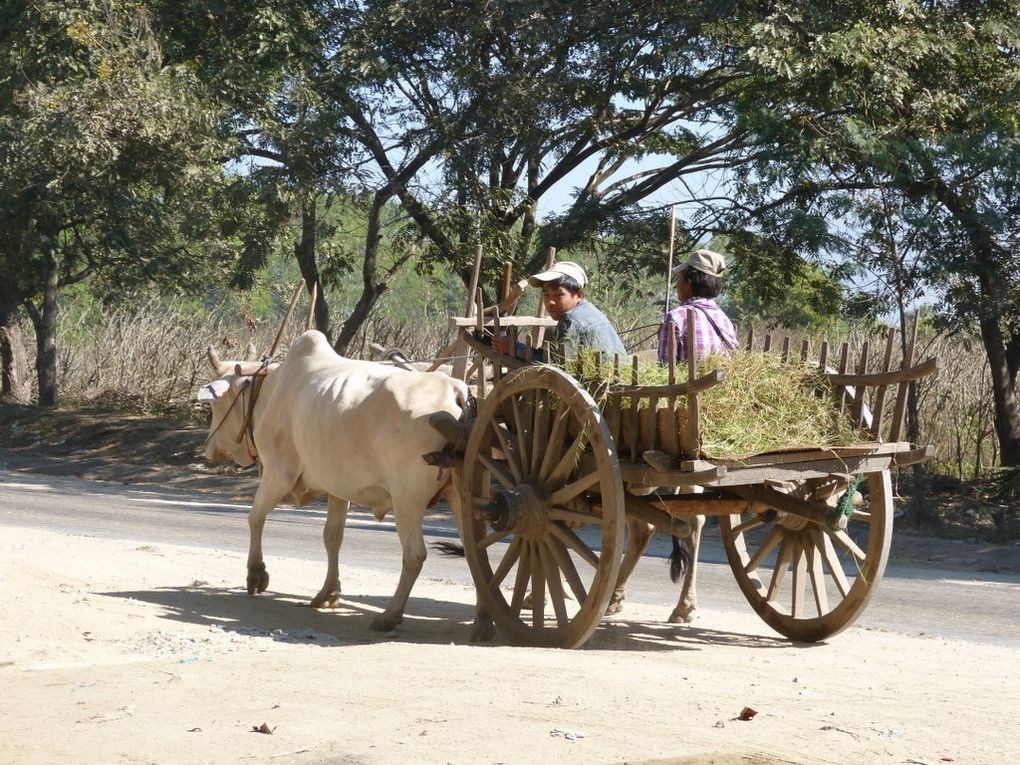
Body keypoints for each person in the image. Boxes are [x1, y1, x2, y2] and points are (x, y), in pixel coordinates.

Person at [492, 260, 626, 361]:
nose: (550, 301)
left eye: (559, 295)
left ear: (579, 295)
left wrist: (515, 348)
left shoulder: (571, 319)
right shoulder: (592, 311)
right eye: (546, 294)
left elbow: (555, 365)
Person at [658, 249, 738, 363]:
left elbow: (664, 367)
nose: (677, 285)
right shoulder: (724, 319)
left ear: (689, 282)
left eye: (680, 279)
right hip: (724, 380)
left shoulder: (676, 317)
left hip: (690, 380)